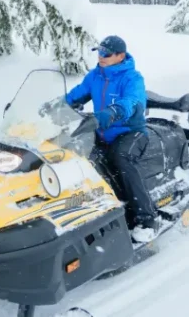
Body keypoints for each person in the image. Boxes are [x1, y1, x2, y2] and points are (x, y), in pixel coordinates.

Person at [63, 35, 158, 244]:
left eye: (106, 53)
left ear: (120, 56)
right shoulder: (95, 76)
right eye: (99, 52)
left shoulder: (132, 78)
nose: (101, 57)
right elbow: (75, 96)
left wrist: (112, 112)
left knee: (121, 158)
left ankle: (146, 219)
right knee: (76, 156)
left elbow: (132, 101)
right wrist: (52, 107)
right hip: (101, 131)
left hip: (130, 131)